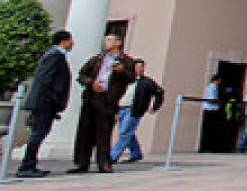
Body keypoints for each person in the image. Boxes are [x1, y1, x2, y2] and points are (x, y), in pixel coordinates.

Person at [69, 34, 137, 173]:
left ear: (118, 43)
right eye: (105, 40)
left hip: (108, 99)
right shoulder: (97, 59)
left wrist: (121, 71)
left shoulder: (126, 61)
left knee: (104, 132)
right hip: (91, 97)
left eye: (110, 40)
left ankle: (104, 162)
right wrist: (91, 83)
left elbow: (131, 78)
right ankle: (82, 162)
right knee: (85, 131)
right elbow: (82, 75)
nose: (106, 42)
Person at [16, 30, 74, 178]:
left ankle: (30, 164)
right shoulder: (54, 56)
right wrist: (52, 100)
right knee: (38, 133)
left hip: (45, 102)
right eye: (70, 40)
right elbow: (46, 80)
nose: (72, 43)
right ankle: (26, 166)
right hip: (44, 102)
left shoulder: (55, 56)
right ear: (63, 41)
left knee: (40, 133)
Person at [110, 60, 165, 164]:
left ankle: (112, 156)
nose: (140, 69)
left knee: (125, 133)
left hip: (134, 110)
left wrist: (155, 106)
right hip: (121, 108)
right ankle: (136, 153)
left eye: (142, 67)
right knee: (127, 132)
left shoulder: (146, 82)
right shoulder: (125, 80)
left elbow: (159, 92)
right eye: (138, 67)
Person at [199, 73, 221, 153]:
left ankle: (207, 146)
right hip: (210, 110)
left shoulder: (211, 87)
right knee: (209, 129)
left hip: (211, 109)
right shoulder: (213, 87)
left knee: (209, 129)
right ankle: (206, 147)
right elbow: (212, 99)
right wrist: (218, 103)